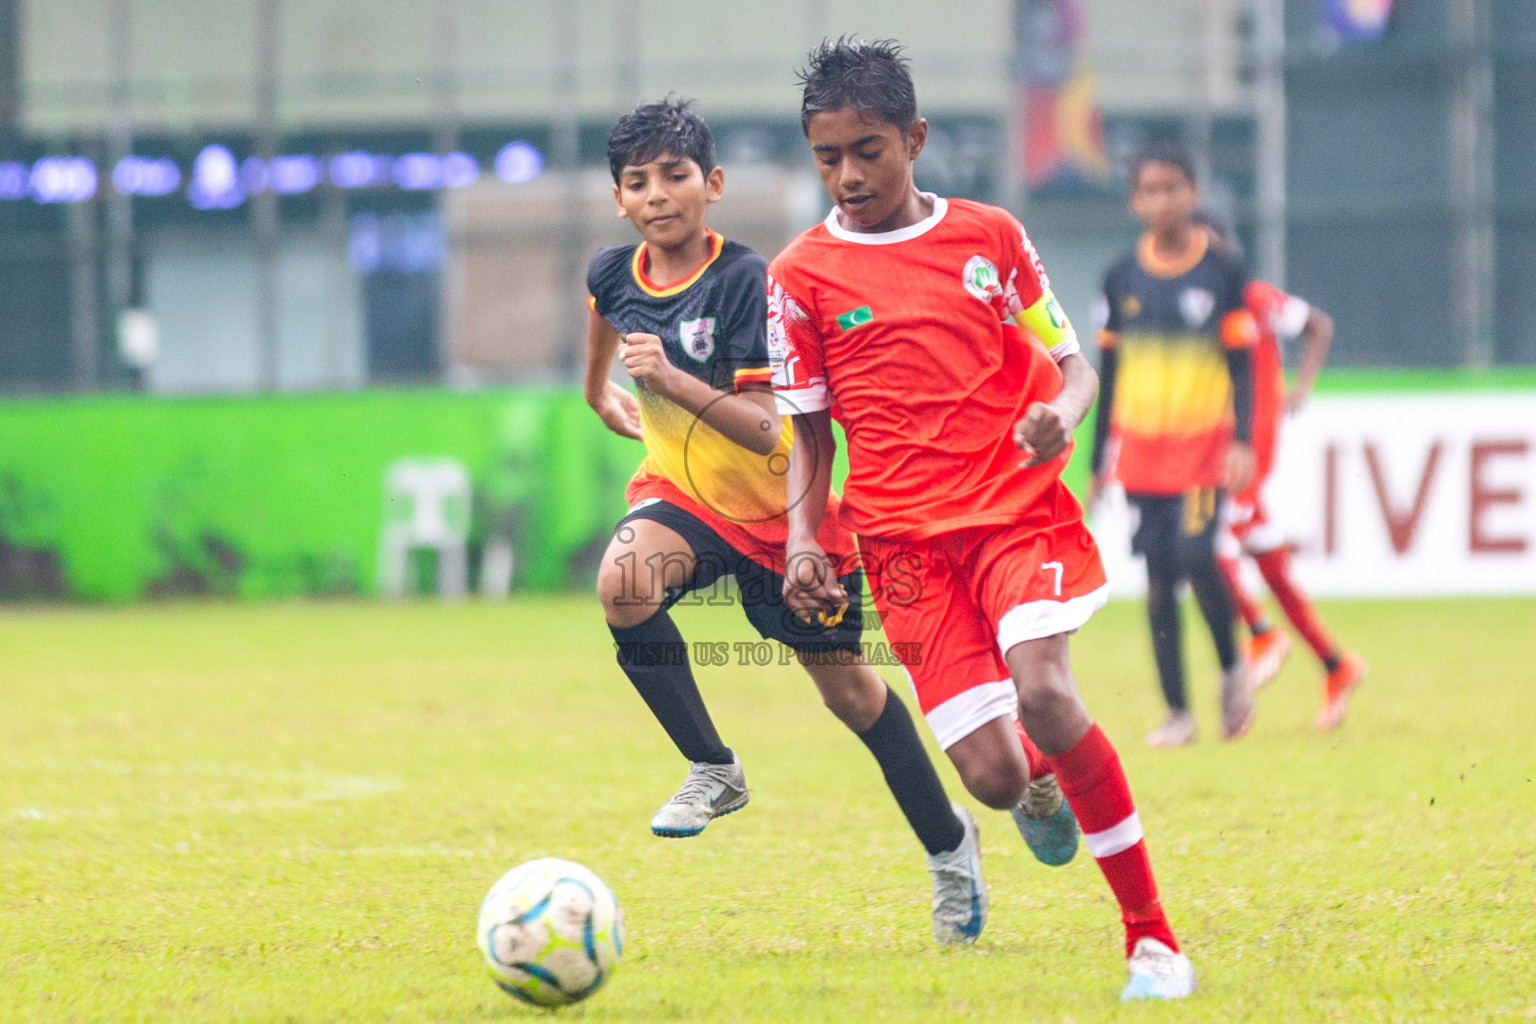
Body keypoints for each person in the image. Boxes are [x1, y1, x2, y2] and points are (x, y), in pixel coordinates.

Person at [773, 40, 1194, 1000]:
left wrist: (1064, 416)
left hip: (1014, 511)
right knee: (995, 780)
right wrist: (806, 540)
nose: (847, 175)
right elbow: (807, 436)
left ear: (914, 139)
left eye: (868, 150)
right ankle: (1040, 772)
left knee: (1044, 686)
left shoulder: (990, 238)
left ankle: (1152, 941)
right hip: (900, 547)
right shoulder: (799, 277)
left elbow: (1076, 365)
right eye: (827, 156)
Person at [583, 97, 1050, 944]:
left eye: (676, 176)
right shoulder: (613, 272)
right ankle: (712, 767)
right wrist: (598, 394)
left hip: (785, 519)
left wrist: (669, 384)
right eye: (637, 182)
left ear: (713, 185)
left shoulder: (748, 282)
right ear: (619, 198)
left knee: (853, 695)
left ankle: (951, 848)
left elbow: (772, 426)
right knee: (622, 581)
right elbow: (605, 323)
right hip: (686, 499)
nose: (658, 195)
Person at [1088, 141, 1259, 748]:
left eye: (1172, 189)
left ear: (1192, 193)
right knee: (1158, 583)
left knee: (1194, 554)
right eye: (1149, 191)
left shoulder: (1223, 270)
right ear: (1136, 201)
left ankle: (1233, 667)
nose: (1161, 201)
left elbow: (1243, 364)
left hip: (1203, 451)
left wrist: (1242, 440)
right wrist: (1097, 461)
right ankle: (1179, 714)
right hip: (1140, 455)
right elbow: (1107, 376)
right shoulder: (1120, 275)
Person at [1193, 212, 1368, 730]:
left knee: (1213, 542)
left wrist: (1302, 385)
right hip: (1220, 440)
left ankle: (1262, 632)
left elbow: (1318, 325)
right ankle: (1337, 666)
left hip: (1252, 441)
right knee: (1271, 563)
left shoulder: (1254, 296)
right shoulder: (1199, 308)